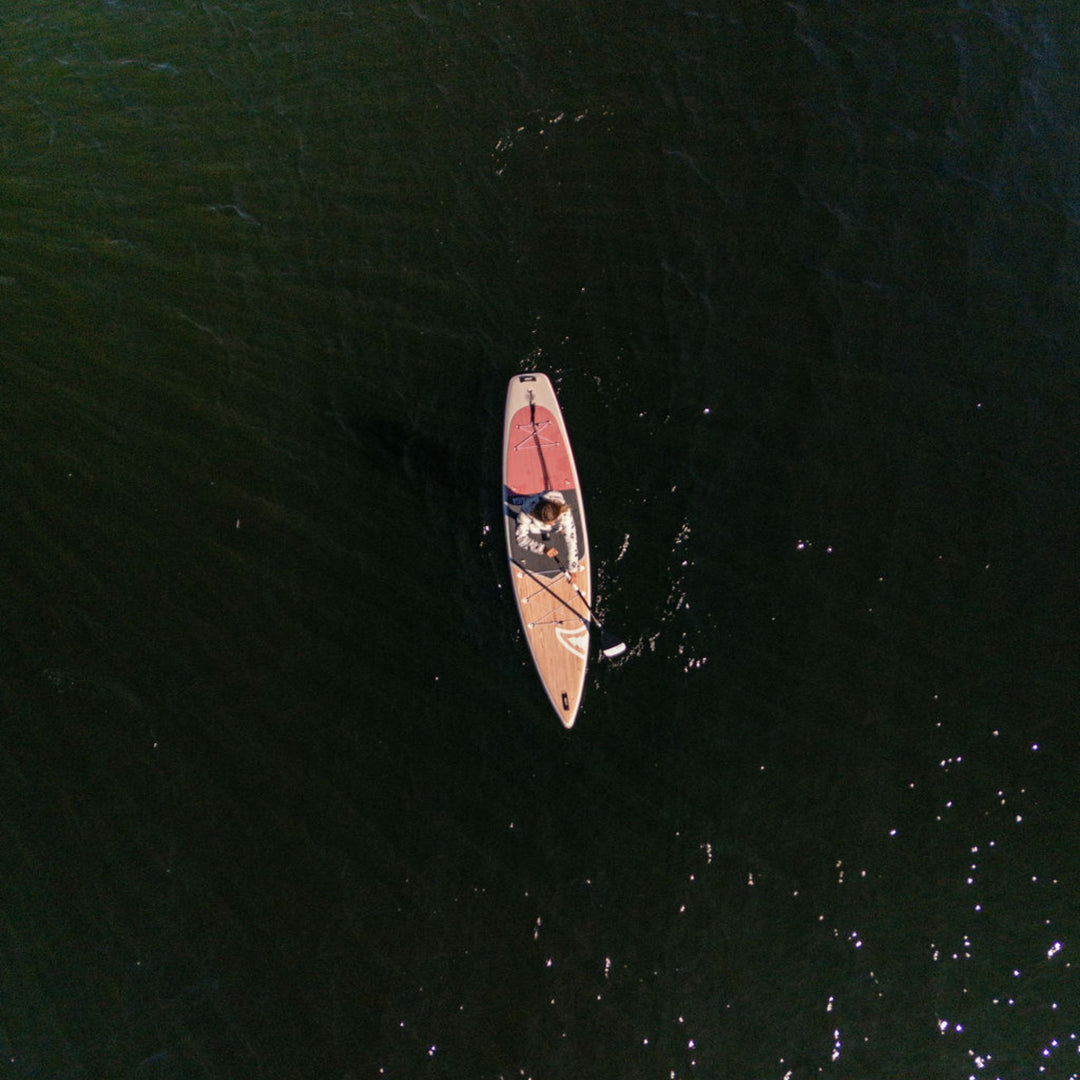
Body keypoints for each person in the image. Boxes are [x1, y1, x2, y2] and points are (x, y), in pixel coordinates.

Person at [515, 491, 581, 572]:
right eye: (549, 523)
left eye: (553, 521)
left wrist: (573, 569)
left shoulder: (565, 513)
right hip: (534, 521)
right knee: (525, 525)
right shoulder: (526, 510)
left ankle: (555, 527)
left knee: (562, 528)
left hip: (553, 512)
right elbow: (521, 539)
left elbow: (572, 541)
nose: (552, 524)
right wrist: (543, 549)